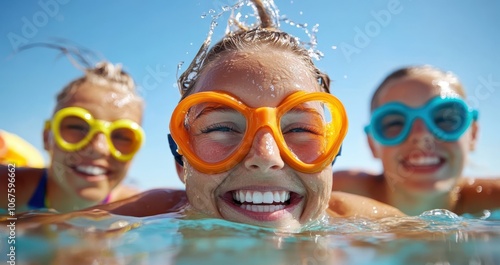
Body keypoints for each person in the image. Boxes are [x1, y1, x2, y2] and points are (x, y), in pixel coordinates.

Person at [15, 0, 403, 231]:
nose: (266, 154)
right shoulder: (134, 222)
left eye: (299, 127)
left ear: (332, 155)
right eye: (221, 127)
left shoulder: (384, 229)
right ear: (181, 160)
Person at [332, 65, 500, 216]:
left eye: (445, 119)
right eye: (395, 123)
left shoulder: (494, 201)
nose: (421, 135)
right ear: (372, 144)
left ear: (473, 134)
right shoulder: (336, 193)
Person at [0, 58, 145, 213]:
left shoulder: (139, 209)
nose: (98, 148)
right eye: (78, 127)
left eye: (121, 136)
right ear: (47, 137)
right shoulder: (9, 189)